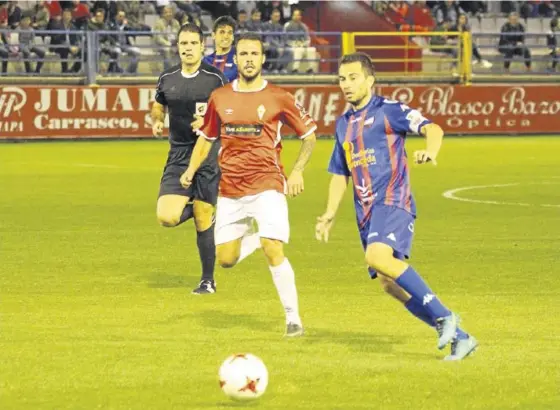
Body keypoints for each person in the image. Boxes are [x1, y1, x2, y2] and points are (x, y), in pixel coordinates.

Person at [315, 52, 478, 360]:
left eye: (353, 77)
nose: (346, 84)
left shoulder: (389, 110)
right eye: (341, 79)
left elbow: (433, 128)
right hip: (365, 213)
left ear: (370, 80)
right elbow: (340, 172)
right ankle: (460, 337)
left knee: (376, 255)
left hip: (392, 200)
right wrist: (329, 212)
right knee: (389, 284)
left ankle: (444, 315)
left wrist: (430, 151)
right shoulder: (343, 125)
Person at [181, 32, 317, 336]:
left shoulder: (279, 97)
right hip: (230, 189)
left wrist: (296, 172)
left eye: (254, 54)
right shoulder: (221, 97)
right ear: (236, 59)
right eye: (243, 54)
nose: (249, 59)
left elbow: (308, 136)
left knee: (273, 248)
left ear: (263, 58)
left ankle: (293, 318)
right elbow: (206, 137)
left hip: (267, 183)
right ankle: (258, 237)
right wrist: (191, 169)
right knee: (226, 260)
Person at [151, 23, 227, 295]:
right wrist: (158, 120)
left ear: (202, 47)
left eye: (193, 44)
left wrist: (208, 122)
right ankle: (200, 205)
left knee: (202, 217)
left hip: (207, 152)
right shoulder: (167, 77)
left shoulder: (215, 79)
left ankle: (208, 280)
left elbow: (228, 113)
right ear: (178, 47)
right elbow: (158, 104)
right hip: (179, 153)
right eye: (183, 44)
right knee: (167, 217)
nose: (188, 48)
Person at [203, 16, 238, 82]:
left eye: (230, 33)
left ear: (233, 37)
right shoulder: (206, 61)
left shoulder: (240, 58)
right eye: (222, 32)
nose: (226, 36)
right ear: (213, 35)